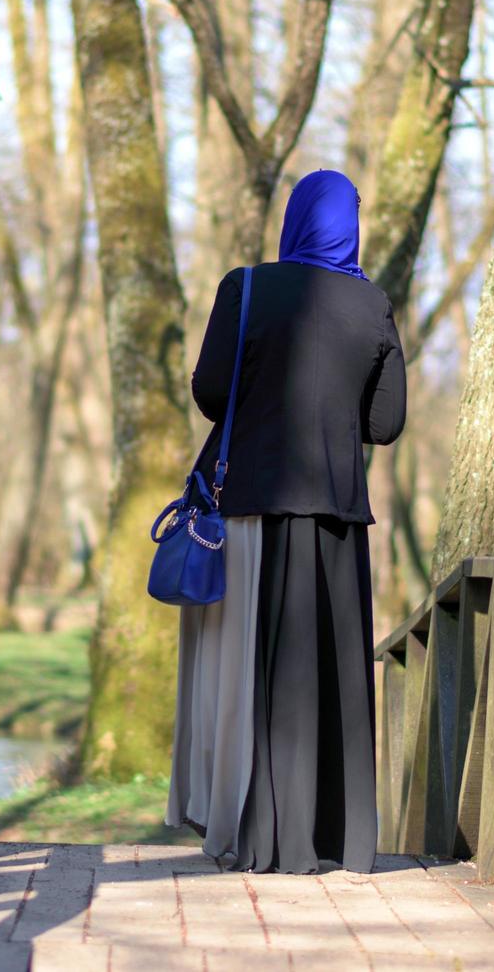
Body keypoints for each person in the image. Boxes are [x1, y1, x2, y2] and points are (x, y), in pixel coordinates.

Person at [166, 169, 407, 874]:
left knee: (247, 672)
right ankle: (335, 840)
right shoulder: (373, 306)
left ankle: (249, 833)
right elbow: (385, 425)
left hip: (247, 510)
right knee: (327, 677)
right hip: (334, 521)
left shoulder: (245, 289)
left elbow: (212, 395)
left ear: (294, 218)